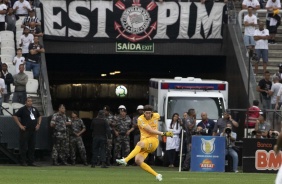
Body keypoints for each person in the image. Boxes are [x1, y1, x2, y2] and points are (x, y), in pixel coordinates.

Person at [116, 105, 173, 181]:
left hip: (153, 141)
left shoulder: (156, 115)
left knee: (139, 144)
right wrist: (164, 133)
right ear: (143, 112)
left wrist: (169, 130)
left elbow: (163, 120)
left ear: (152, 112)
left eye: (149, 113)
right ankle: (157, 175)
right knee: (138, 160)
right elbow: (150, 130)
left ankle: (125, 160)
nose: (148, 115)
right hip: (145, 142)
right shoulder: (140, 119)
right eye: (146, 113)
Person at [12, 97, 41, 166]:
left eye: (31, 101)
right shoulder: (22, 109)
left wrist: (38, 124)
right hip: (25, 130)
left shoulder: (34, 109)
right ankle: (23, 161)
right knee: (24, 146)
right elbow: (14, 116)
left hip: (33, 130)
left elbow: (39, 116)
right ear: (25, 102)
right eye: (28, 101)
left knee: (32, 146)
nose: (30, 102)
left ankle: (31, 161)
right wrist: (20, 125)